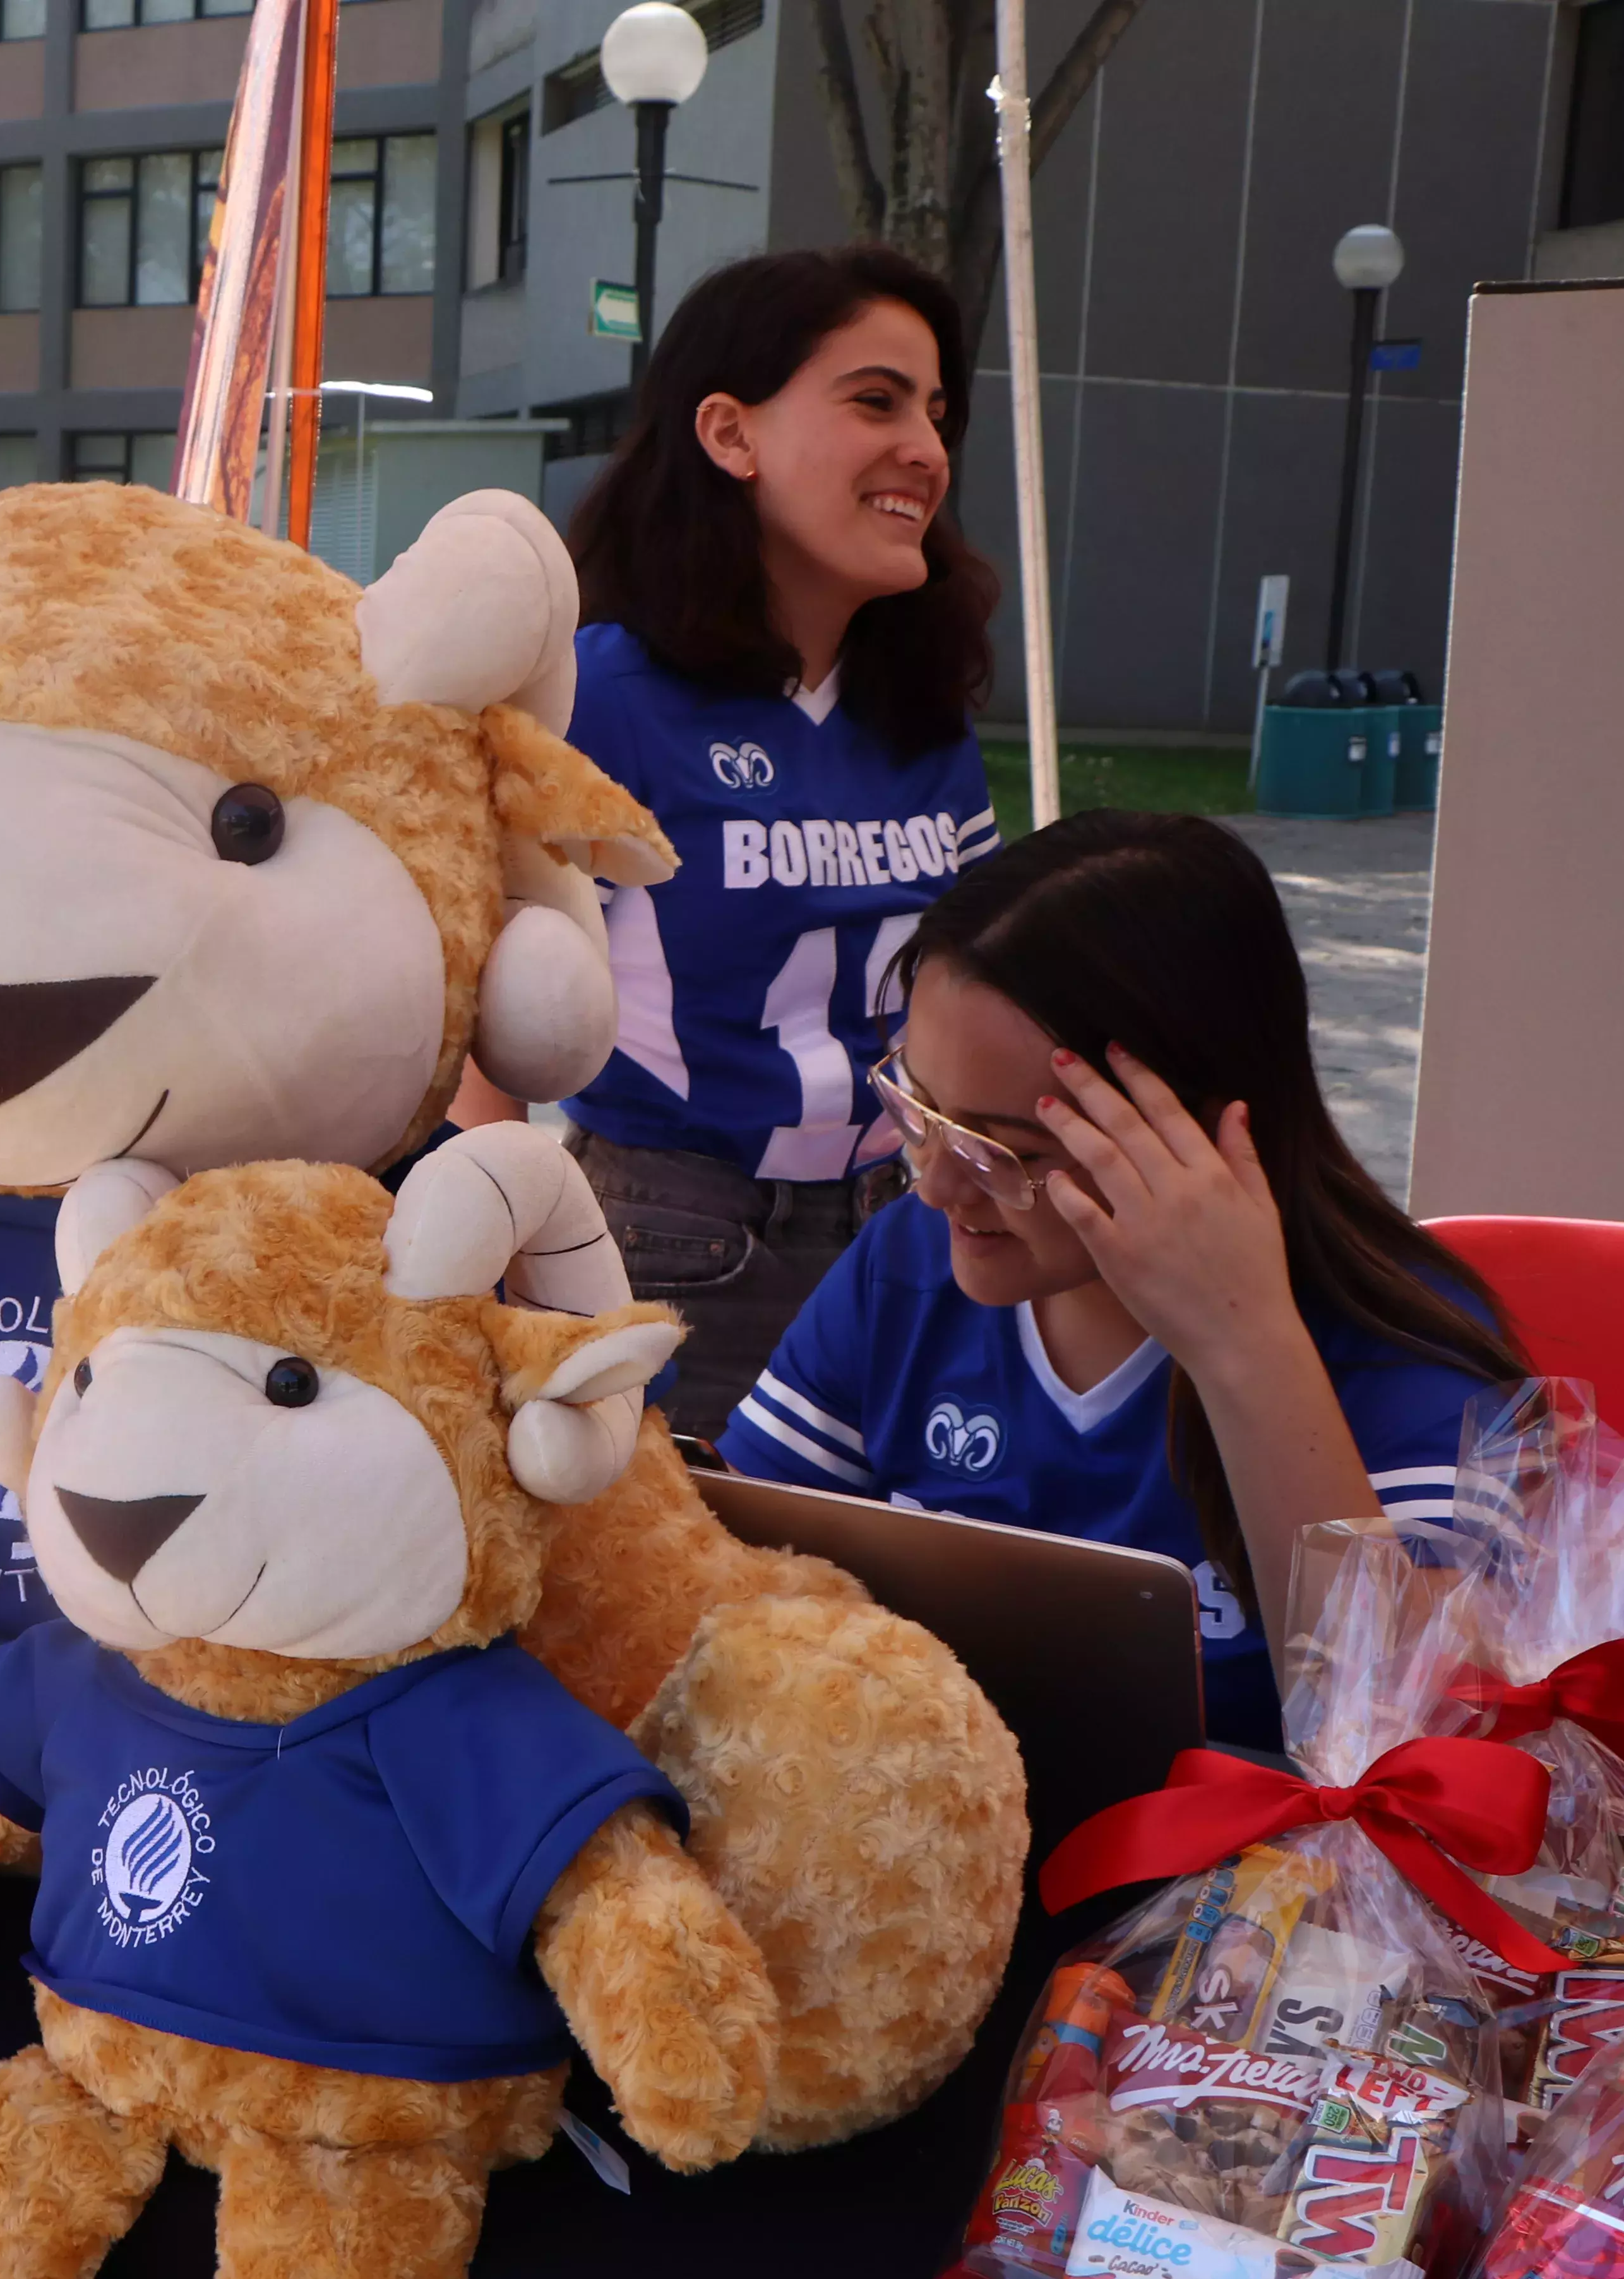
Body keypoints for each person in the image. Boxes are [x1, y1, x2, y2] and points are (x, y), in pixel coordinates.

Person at [718, 811, 1532, 1751]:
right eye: (918, 1109)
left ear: (1202, 1129)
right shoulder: (906, 1268)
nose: (936, 1184)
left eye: (999, 1149)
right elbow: (728, 1570)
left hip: (1266, 1887)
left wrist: (1245, 1348)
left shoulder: (1388, 1344)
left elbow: (1421, 1731)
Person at [508, 246, 1005, 1439]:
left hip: (914, 1234)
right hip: (665, 1242)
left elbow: (985, 994)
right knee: (687, 1609)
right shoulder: (601, 695)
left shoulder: (924, 709)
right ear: (731, 434)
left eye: (938, 413)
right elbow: (487, 1026)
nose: (927, 451)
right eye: (876, 400)